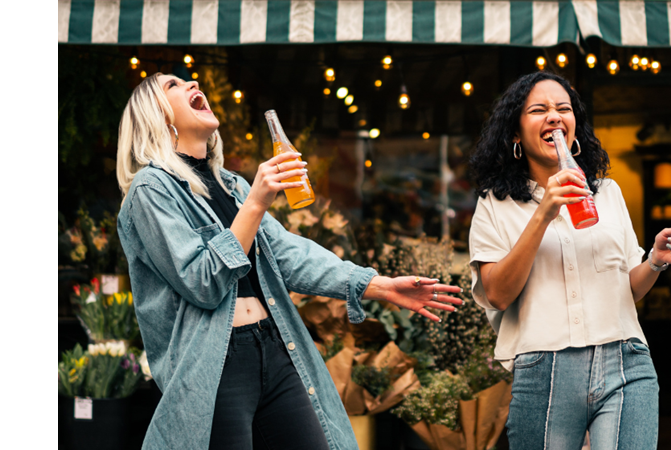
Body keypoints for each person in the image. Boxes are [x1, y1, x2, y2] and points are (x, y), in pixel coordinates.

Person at [115, 73, 463, 450]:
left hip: (275, 344)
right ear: (156, 116)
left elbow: (289, 255)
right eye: (174, 85)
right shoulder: (150, 190)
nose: (191, 83)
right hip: (214, 363)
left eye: (188, 80)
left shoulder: (232, 184)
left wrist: (377, 286)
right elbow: (201, 281)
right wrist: (256, 203)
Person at [468, 72, 671, 450]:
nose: (554, 117)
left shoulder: (605, 192)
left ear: (574, 130)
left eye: (564, 109)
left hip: (626, 360)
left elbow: (628, 289)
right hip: (546, 370)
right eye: (539, 109)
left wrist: (655, 260)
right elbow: (497, 294)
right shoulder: (496, 203)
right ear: (515, 135)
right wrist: (544, 213)